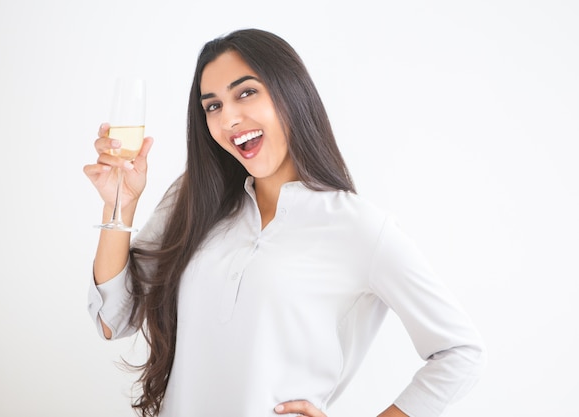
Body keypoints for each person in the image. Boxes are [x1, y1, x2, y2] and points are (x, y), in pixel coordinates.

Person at [83, 28, 486, 417]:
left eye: (246, 93)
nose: (228, 120)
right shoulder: (193, 200)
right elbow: (112, 319)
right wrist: (120, 202)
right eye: (213, 106)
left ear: (290, 93)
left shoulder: (359, 227)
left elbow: (460, 352)